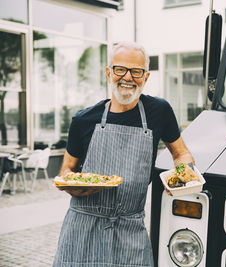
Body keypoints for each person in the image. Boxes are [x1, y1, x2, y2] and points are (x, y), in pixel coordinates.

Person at [53, 42, 194, 267]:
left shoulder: (159, 111)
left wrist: (181, 177)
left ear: (145, 77)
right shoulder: (83, 119)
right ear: (109, 72)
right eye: (120, 69)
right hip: (83, 228)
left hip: (130, 229)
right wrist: (71, 185)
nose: (127, 77)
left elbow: (181, 154)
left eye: (136, 71)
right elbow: (66, 171)